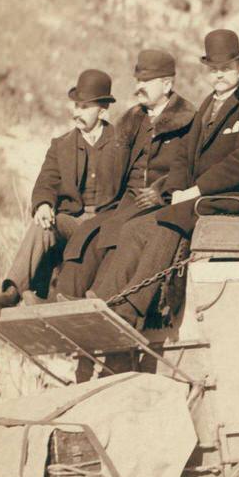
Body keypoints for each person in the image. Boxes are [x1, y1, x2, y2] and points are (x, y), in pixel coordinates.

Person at [92, 28, 239, 326]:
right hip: (198, 196)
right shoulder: (206, 106)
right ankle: (102, 302)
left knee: (172, 219)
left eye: (226, 68)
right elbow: (183, 156)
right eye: (214, 69)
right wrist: (177, 188)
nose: (219, 75)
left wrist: (195, 190)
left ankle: (132, 309)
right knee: (135, 227)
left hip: (237, 197)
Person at [57, 49, 195, 298]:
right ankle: (62, 299)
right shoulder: (132, 118)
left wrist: (161, 190)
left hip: (159, 204)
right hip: (126, 201)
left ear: (166, 84)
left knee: (118, 231)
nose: (139, 86)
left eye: (146, 81)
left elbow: (188, 167)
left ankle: (99, 299)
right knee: (89, 232)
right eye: (137, 80)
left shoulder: (187, 120)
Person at [0, 70, 116, 308]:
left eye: (84, 107)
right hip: (73, 222)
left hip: (107, 225)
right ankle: (13, 290)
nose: (76, 113)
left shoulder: (121, 142)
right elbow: (46, 181)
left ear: (103, 111)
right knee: (42, 224)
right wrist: (43, 204)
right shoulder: (61, 145)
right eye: (76, 106)